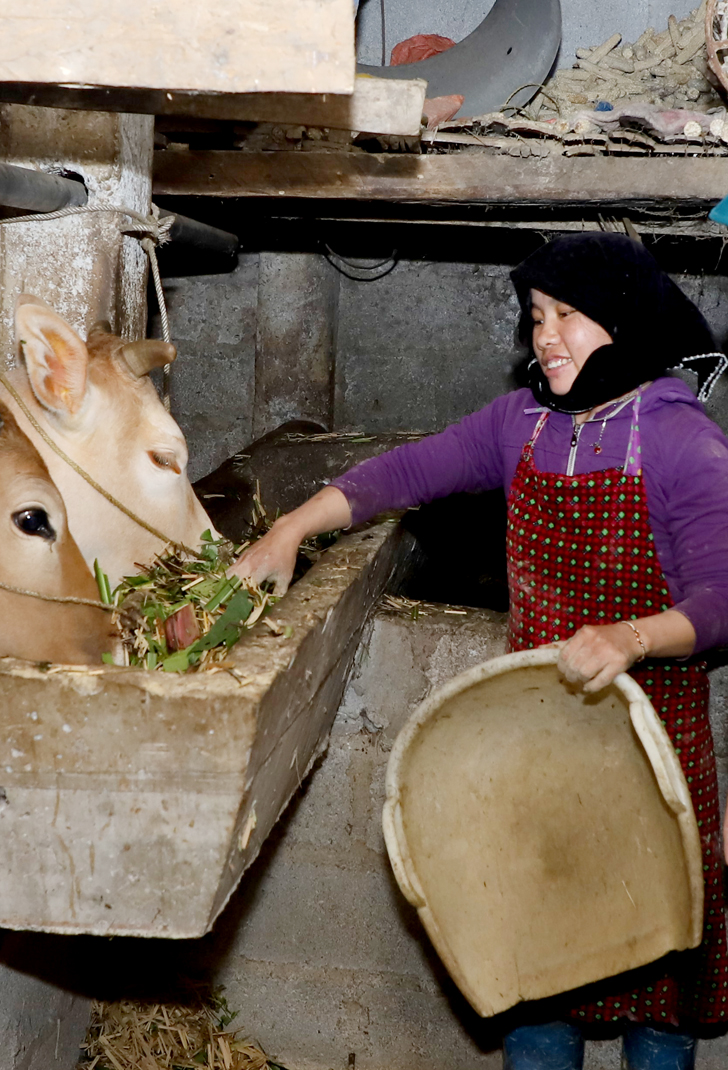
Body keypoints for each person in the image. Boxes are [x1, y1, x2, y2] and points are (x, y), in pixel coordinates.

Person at [231, 233, 728, 1070]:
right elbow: (405, 473)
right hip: (531, 748)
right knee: (536, 980)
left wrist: (634, 636)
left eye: (570, 316)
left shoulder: (683, 443)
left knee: (658, 1005)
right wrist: (290, 530)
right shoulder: (520, 425)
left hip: (650, 754)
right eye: (536, 316)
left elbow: (720, 601)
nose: (546, 336)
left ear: (626, 322)